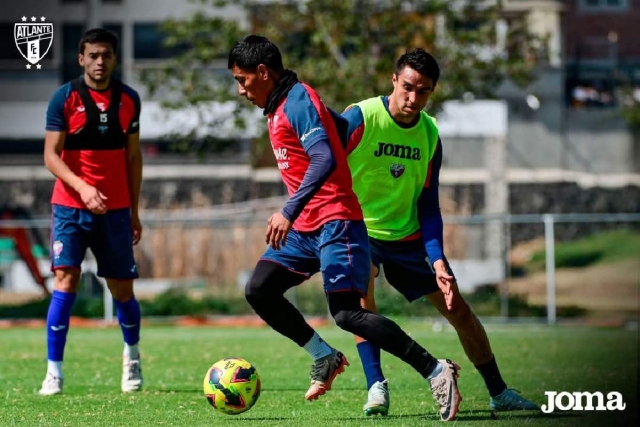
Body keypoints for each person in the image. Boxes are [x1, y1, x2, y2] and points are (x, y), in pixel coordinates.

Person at [229, 35, 462, 421]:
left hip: (337, 222)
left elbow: (321, 158)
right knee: (260, 289)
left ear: (263, 73)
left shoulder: (297, 99)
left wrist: (287, 210)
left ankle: (437, 371)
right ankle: (324, 356)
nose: (240, 90)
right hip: (307, 229)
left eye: (242, 79)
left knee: (347, 314)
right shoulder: (286, 103)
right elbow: (331, 135)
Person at [341, 48, 539, 416]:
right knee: (362, 301)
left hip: (407, 238)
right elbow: (324, 161)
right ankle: (376, 387)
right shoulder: (361, 117)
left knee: (457, 308)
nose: (414, 98)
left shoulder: (430, 133)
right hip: (358, 232)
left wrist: (438, 259)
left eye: (424, 91)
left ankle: (499, 391)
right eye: (408, 87)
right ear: (393, 80)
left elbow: (429, 205)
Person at [39, 28, 144, 395]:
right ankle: (54, 371)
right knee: (64, 281)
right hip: (69, 207)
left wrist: (133, 210)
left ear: (115, 59)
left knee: (122, 289)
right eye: (93, 56)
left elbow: (133, 157)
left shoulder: (129, 100)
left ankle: (131, 357)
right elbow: (51, 155)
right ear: (81, 58)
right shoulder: (64, 98)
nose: (100, 62)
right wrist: (82, 187)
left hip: (115, 211)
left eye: (107, 55)